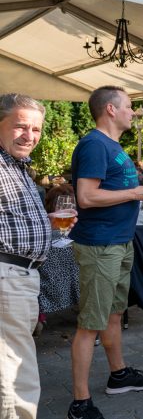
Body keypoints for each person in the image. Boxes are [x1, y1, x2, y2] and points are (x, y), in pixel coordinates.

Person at [67, 86, 143, 419]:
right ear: (110, 109)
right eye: (129, 107)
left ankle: (118, 374)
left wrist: (136, 192)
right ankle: (80, 403)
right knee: (90, 323)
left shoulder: (113, 146)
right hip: (99, 245)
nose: (133, 112)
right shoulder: (94, 144)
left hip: (119, 242)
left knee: (113, 314)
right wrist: (136, 192)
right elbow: (87, 197)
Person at [0, 93, 56, 419]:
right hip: (7, 277)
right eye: (21, 126)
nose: (29, 136)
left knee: (14, 361)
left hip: (21, 277)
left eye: (35, 129)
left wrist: (45, 225)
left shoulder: (16, 164)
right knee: (14, 369)